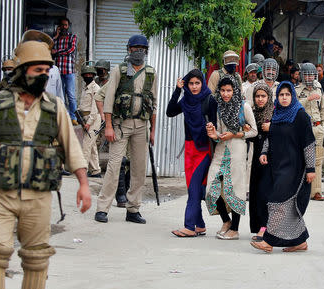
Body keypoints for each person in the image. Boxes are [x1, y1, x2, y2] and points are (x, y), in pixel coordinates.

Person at [0, 32, 91, 289]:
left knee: (36, 258)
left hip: (38, 197)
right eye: (37, 69)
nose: (43, 74)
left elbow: (73, 150)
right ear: (22, 70)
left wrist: (84, 185)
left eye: (47, 69)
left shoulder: (55, 108)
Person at [95, 34, 157, 224]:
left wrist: (153, 131)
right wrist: (108, 126)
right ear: (128, 50)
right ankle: (102, 208)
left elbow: (154, 103)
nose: (138, 51)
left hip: (142, 126)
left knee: (139, 169)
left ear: (146, 51)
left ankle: (133, 209)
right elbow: (108, 98)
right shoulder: (118, 71)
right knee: (114, 167)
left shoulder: (151, 73)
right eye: (134, 48)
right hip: (120, 125)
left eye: (141, 48)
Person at [251, 81, 315, 253]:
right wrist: (264, 152)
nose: (284, 98)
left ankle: (268, 241)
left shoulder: (300, 115)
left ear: (292, 96)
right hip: (277, 165)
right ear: (277, 97)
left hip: (295, 167)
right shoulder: (277, 113)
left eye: (287, 94)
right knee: (286, 204)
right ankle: (300, 241)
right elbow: (270, 137)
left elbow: (309, 143)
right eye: (281, 95)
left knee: (276, 200)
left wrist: (311, 169)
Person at [205, 75, 258, 240]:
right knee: (211, 188)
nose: (226, 94)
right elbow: (220, 134)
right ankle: (226, 221)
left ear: (235, 90)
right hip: (221, 151)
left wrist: (235, 134)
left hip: (238, 151)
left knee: (235, 189)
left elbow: (254, 131)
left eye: (229, 90)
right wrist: (214, 135)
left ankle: (234, 229)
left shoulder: (244, 107)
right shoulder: (219, 107)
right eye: (222, 90)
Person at [167, 69, 217, 237]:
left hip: (203, 150)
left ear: (202, 83)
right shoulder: (186, 99)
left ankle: (189, 226)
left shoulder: (209, 100)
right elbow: (170, 111)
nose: (194, 87)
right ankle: (200, 225)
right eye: (191, 83)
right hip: (189, 149)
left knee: (195, 186)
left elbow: (215, 126)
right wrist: (177, 90)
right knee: (192, 187)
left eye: (197, 83)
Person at [93, 59, 129, 207]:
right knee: (119, 162)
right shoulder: (117, 79)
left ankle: (126, 192)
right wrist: (105, 118)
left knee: (131, 163)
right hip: (118, 125)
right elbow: (99, 97)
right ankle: (120, 195)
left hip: (137, 128)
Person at [295, 63, 324, 201]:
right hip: (303, 129)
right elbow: (294, 107)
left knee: (318, 160)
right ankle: (300, 191)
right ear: (302, 75)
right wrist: (307, 99)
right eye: (307, 74)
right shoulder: (296, 90)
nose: (309, 77)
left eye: (312, 75)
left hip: (318, 127)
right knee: (301, 159)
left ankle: (316, 191)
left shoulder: (319, 89)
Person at [248, 83, 274, 242]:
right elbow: (253, 135)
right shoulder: (252, 112)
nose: (260, 99)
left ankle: (266, 227)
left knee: (266, 192)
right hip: (256, 156)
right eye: (257, 96)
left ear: (269, 97)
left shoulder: (275, 113)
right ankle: (259, 226)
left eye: (263, 96)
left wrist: (272, 128)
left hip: (270, 158)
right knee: (256, 192)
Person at [52, 17, 78, 125]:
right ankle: (63, 117)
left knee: (71, 95)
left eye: (65, 25)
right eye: (62, 25)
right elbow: (49, 49)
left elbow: (71, 50)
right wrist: (56, 36)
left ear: (68, 26)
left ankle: (73, 118)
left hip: (69, 71)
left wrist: (57, 52)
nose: (64, 27)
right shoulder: (55, 39)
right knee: (59, 96)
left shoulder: (73, 37)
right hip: (58, 72)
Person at [78, 62, 102, 178]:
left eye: (90, 74)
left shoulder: (96, 88)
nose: (87, 76)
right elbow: (83, 104)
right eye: (85, 74)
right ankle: (96, 170)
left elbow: (95, 108)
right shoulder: (85, 88)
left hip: (93, 120)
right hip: (85, 118)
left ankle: (83, 170)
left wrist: (88, 123)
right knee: (91, 146)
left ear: (93, 75)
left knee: (86, 146)